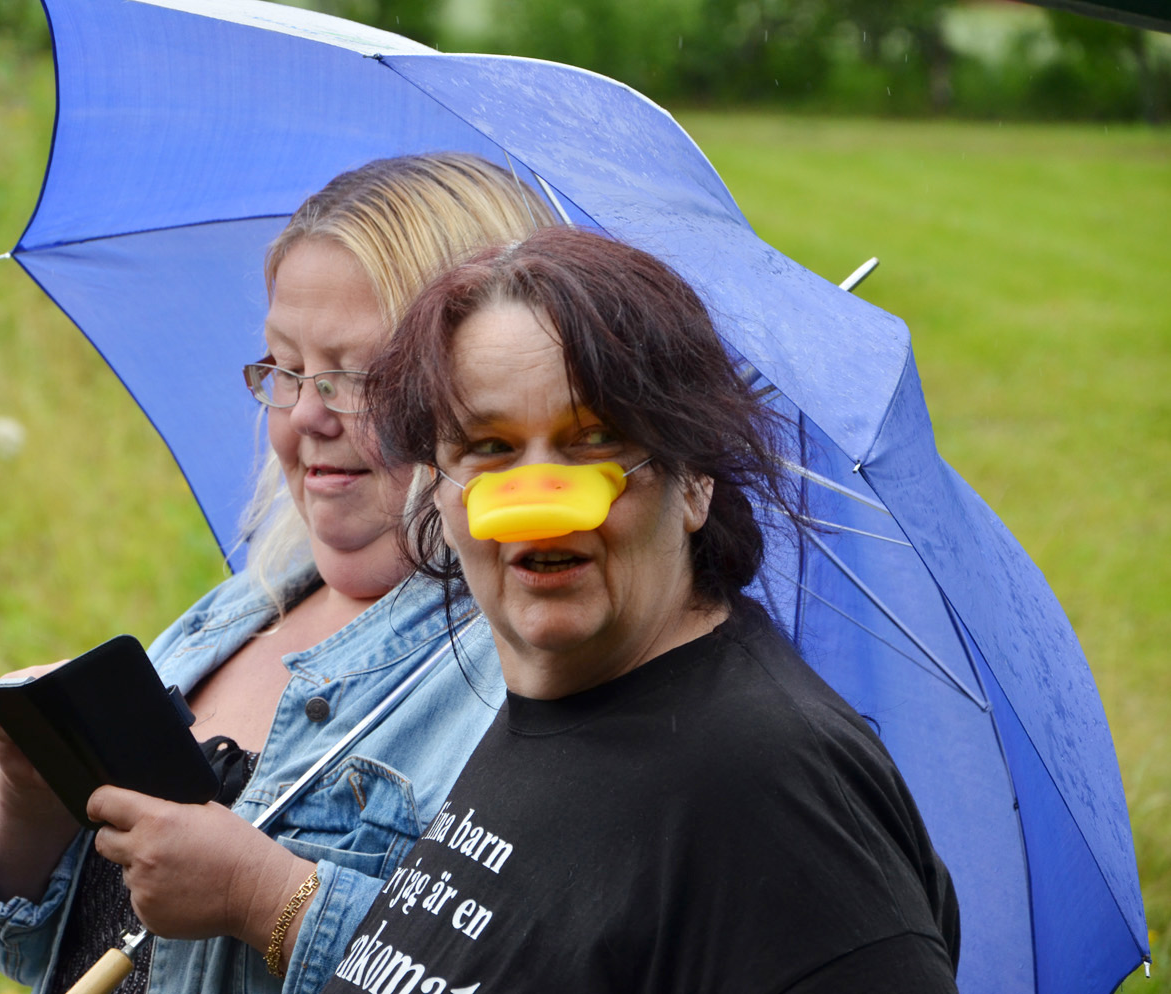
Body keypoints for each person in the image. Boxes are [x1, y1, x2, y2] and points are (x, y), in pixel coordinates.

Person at [0, 153, 551, 994]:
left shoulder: (522, 680)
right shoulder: (240, 611)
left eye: (356, 376)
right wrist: (33, 789)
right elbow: (27, 936)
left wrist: (265, 899)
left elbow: (525, 966)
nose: (305, 414)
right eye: (286, 368)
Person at [327, 226, 962, 994]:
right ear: (437, 485)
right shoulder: (553, 701)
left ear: (694, 481)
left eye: (594, 439)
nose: (541, 508)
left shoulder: (768, 793)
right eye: (489, 448)